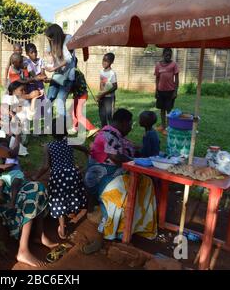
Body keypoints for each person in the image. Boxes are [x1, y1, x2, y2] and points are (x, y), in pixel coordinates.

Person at [0, 111, 58, 267]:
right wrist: (17, 136)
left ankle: (38, 235)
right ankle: (23, 250)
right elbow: (12, 154)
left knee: (34, 187)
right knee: (33, 192)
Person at [82, 109, 157, 254]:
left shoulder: (115, 134)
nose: (130, 127)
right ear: (123, 123)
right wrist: (136, 161)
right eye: (130, 124)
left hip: (113, 173)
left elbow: (129, 148)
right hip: (101, 177)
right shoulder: (108, 135)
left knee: (145, 183)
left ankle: (132, 226)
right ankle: (102, 235)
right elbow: (116, 157)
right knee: (118, 196)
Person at [32, 119, 89, 240]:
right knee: (73, 194)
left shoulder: (48, 146)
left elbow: (46, 166)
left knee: (59, 201)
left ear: (51, 133)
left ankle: (62, 228)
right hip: (72, 174)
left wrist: (36, 176)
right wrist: (87, 165)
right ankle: (72, 212)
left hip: (58, 176)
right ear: (66, 132)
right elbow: (85, 149)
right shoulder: (70, 142)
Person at [45, 24, 77, 117]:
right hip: (57, 76)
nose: (50, 41)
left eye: (50, 39)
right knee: (48, 99)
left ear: (56, 36)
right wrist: (49, 56)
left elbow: (68, 59)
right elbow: (47, 51)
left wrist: (53, 68)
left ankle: (62, 129)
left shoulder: (68, 39)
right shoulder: (53, 41)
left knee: (60, 102)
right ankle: (49, 125)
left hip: (67, 77)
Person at [0, 137, 25, 210]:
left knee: (15, 184)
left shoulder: (11, 155)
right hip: (6, 175)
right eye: (1, 147)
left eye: (5, 147)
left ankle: (12, 203)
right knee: (0, 182)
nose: (3, 149)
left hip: (16, 174)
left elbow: (9, 166)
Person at [155, 48, 180, 136]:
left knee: (169, 110)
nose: (168, 57)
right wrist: (156, 90)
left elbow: (176, 79)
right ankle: (163, 126)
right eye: (166, 55)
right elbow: (157, 78)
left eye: (170, 55)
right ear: (163, 55)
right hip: (160, 91)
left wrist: (175, 91)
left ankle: (169, 128)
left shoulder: (174, 65)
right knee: (162, 109)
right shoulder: (158, 65)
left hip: (170, 91)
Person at [69, 68, 99, 138]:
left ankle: (92, 129)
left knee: (79, 115)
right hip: (77, 95)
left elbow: (72, 85)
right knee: (73, 112)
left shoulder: (74, 73)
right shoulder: (75, 71)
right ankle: (75, 128)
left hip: (81, 96)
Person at [96, 53, 118, 127]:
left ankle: (112, 132)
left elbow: (115, 86)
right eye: (103, 60)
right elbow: (101, 83)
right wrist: (100, 94)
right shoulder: (101, 71)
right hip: (102, 97)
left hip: (109, 98)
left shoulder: (112, 73)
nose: (104, 62)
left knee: (109, 116)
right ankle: (104, 131)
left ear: (111, 62)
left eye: (106, 61)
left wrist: (104, 93)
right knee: (102, 116)